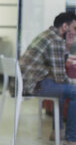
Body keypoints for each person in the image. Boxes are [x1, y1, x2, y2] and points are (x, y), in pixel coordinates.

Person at [20, 12, 76, 145]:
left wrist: (66, 46)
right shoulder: (55, 40)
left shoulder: (48, 35)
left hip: (30, 82)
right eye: (74, 28)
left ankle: (58, 132)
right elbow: (59, 76)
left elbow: (57, 70)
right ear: (65, 26)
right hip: (34, 85)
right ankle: (71, 138)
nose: (75, 32)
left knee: (66, 88)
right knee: (73, 91)